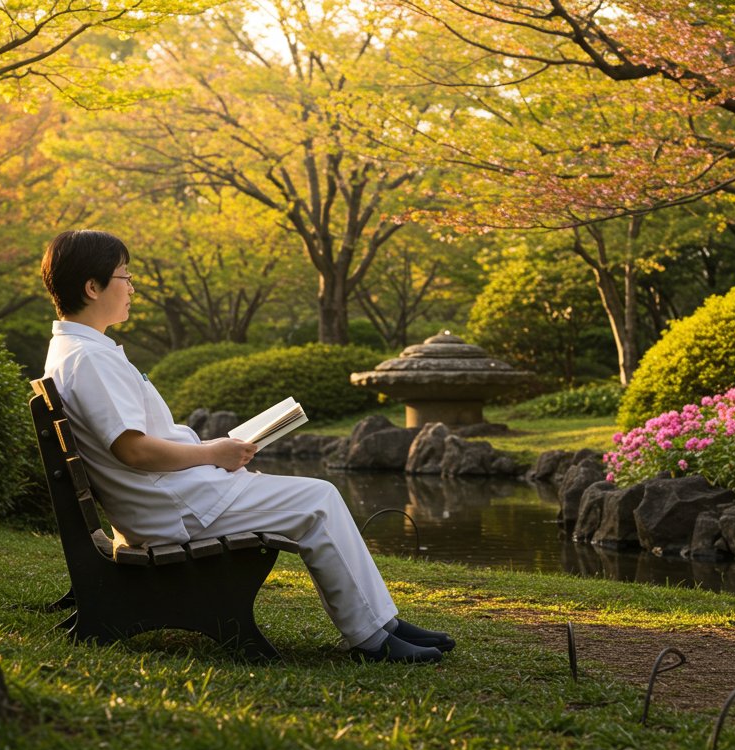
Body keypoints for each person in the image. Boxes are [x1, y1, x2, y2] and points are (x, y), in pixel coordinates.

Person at [40, 229, 451, 664]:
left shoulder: (75, 349)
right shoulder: (90, 359)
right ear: (92, 287)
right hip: (176, 507)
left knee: (317, 498)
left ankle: (382, 623)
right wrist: (213, 453)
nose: (132, 287)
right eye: (124, 276)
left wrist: (216, 454)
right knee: (320, 499)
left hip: (176, 495)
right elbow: (134, 451)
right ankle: (373, 636)